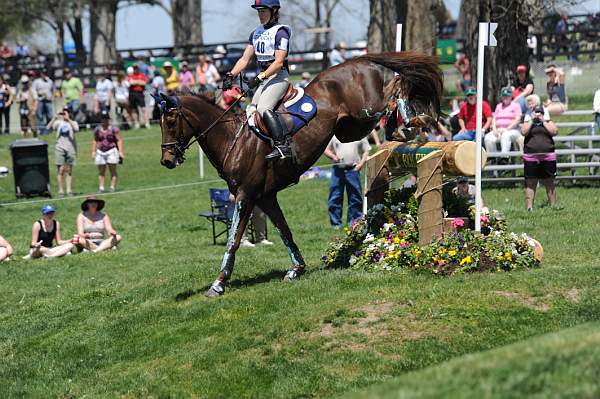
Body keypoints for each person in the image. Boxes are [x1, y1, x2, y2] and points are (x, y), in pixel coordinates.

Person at [222, 0, 293, 160]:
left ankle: (282, 146)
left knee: (263, 108)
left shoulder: (281, 32)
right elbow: (244, 59)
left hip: (278, 76)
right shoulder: (256, 33)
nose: (260, 15)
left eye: (264, 11)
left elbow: (279, 62)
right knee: (251, 110)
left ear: (274, 11)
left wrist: (260, 77)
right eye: (258, 11)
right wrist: (230, 75)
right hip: (265, 78)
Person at [323, 136, 370, 228]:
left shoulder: (359, 133)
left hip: (353, 169)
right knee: (335, 196)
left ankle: (354, 223)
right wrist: (333, 156)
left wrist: (361, 164)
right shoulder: (336, 135)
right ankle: (336, 224)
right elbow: (326, 149)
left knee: (355, 197)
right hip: (337, 170)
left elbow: (366, 150)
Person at [521, 105, 558, 211]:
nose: (538, 114)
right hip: (531, 157)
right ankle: (529, 207)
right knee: (531, 182)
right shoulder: (528, 123)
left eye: (540, 113)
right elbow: (523, 132)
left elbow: (554, 131)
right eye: (536, 112)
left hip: (548, 156)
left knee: (549, 182)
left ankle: (553, 206)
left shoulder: (548, 122)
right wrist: (531, 121)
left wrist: (544, 122)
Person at [47, 107, 79, 196]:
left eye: (66, 113)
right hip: (59, 148)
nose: (64, 115)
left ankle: (69, 190)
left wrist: (69, 120)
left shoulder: (73, 123)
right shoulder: (58, 123)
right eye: (63, 113)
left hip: (71, 148)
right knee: (60, 170)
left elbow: (76, 129)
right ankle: (61, 190)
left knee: (69, 170)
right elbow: (48, 127)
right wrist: (54, 117)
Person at [484, 87, 522, 161]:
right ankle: (492, 157)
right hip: (498, 130)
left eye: (507, 96)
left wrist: (507, 129)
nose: (505, 97)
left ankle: (504, 158)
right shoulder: (499, 106)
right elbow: (494, 119)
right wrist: (494, 129)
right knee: (488, 137)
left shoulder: (515, 105)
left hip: (512, 130)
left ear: (511, 96)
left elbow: (518, 119)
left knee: (505, 135)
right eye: (504, 96)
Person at [92, 111, 124, 193]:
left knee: (112, 170)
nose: (104, 121)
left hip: (111, 150)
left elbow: (119, 140)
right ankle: (101, 187)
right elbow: (95, 140)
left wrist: (120, 152)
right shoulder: (97, 129)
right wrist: (93, 151)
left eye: (106, 119)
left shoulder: (114, 129)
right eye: (103, 119)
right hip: (100, 151)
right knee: (101, 171)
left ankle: (112, 187)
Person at [32, 70, 54, 135]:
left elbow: (53, 89)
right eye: (43, 73)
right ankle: (42, 131)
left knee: (50, 115)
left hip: (48, 100)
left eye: (45, 73)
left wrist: (53, 96)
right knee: (40, 116)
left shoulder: (50, 81)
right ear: (41, 74)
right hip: (40, 100)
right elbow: (33, 91)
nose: (44, 75)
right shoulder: (36, 81)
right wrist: (38, 94)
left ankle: (49, 129)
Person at [128, 64, 149, 129]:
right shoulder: (131, 75)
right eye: (134, 68)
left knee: (144, 109)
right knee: (134, 109)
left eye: (136, 68)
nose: (135, 70)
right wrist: (139, 81)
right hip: (132, 93)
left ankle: (147, 123)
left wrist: (136, 82)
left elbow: (144, 83)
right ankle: (137, 123)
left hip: (140, 93)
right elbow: (130, 83)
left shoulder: (142, 75)